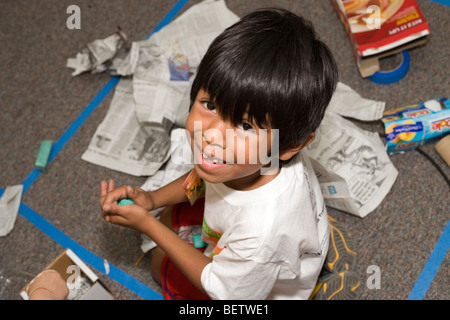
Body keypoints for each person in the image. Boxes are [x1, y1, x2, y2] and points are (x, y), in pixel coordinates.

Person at [100, 7, 339, 300]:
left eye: (245, 125)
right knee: (170, 216)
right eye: (210, 105)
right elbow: (201, 179)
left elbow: (224, 292)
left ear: (290, 146)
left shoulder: (262, 231)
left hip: (247, 293)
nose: (211, 135)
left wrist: (147, 224)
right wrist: (151, 200)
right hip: (245, 233)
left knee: (159, 263)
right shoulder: (253, 159)